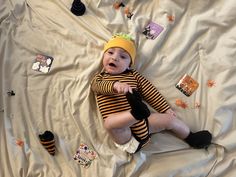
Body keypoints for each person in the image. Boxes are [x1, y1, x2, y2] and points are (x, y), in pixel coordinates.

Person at [91, 33, 212, 154]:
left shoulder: (133, 75)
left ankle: (191, 137)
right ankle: (135, 114)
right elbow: (96, 87)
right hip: (127, 136)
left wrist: (165, 108)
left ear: (129, 64)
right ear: (104, 55)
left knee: (170, 120)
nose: (115, 58)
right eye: (110, 52)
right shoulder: (99, 78)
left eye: (123, 57)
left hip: (144, 123)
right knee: (110, 123)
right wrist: (114, 85)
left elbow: (150, 92)